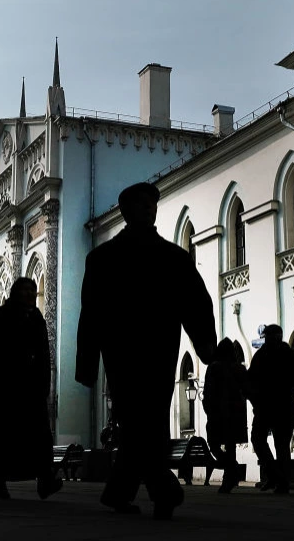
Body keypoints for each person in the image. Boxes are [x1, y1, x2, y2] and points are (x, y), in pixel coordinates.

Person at [76, 182, 217, 520]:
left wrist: (206, 345)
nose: (148, 211)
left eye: (151, 206)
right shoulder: (110, 258)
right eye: (141, 206)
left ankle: (120, 492)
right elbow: (91, 312)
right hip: (132, 353)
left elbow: (197, 304)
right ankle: (162, 489)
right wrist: (86, 362)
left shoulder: (166, 257)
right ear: (127, 212)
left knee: (143, 422)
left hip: (151, 353)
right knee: (143, 422)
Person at [0, 277, 62, 500]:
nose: (29, 293)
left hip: (31, 386)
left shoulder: (36, 317)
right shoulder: (0, 315)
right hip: (5, 384)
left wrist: (45, 384)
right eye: (24, 289)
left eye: (32, 289)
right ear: (14, 292)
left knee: (41, 435)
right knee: (3, 434)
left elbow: (44, 353)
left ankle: (45, 480)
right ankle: (0, 482)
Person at [247, 324, 294, 493]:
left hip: (276, 406)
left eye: (273, 336)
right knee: (263, 441)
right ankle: (276, 476)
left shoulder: (285, 354)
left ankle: (279, 480)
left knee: (277, 445)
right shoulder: (263, 355)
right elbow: (251, 380)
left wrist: (289, 396)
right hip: (269, 406)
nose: (271, 340)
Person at [202, 338, 248, 493]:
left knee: (214, 444)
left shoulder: (214, 367)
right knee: (231, 445)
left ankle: (230, 472)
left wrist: (208, 408)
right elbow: (247, 389)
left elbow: (208, 390)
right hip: (236, 413)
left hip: (218, 412)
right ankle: (231, 473)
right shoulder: (239, 369)